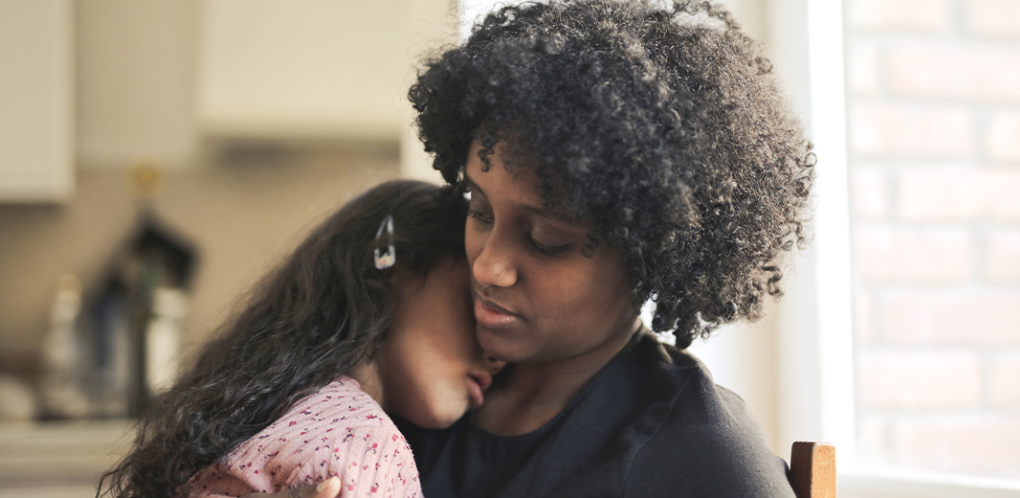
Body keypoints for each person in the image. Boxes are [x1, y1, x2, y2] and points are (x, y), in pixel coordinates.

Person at [256, 0, 814, 496]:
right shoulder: (413, 374)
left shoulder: (699, 458)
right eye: (479, 210)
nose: (489, 266)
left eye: (547, 239)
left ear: (651, 255)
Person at [97, 180, 505, 498]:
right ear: (392, 267)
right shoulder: (366, 444)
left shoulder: (254, 412)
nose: (498, 355)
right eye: (478, 302)